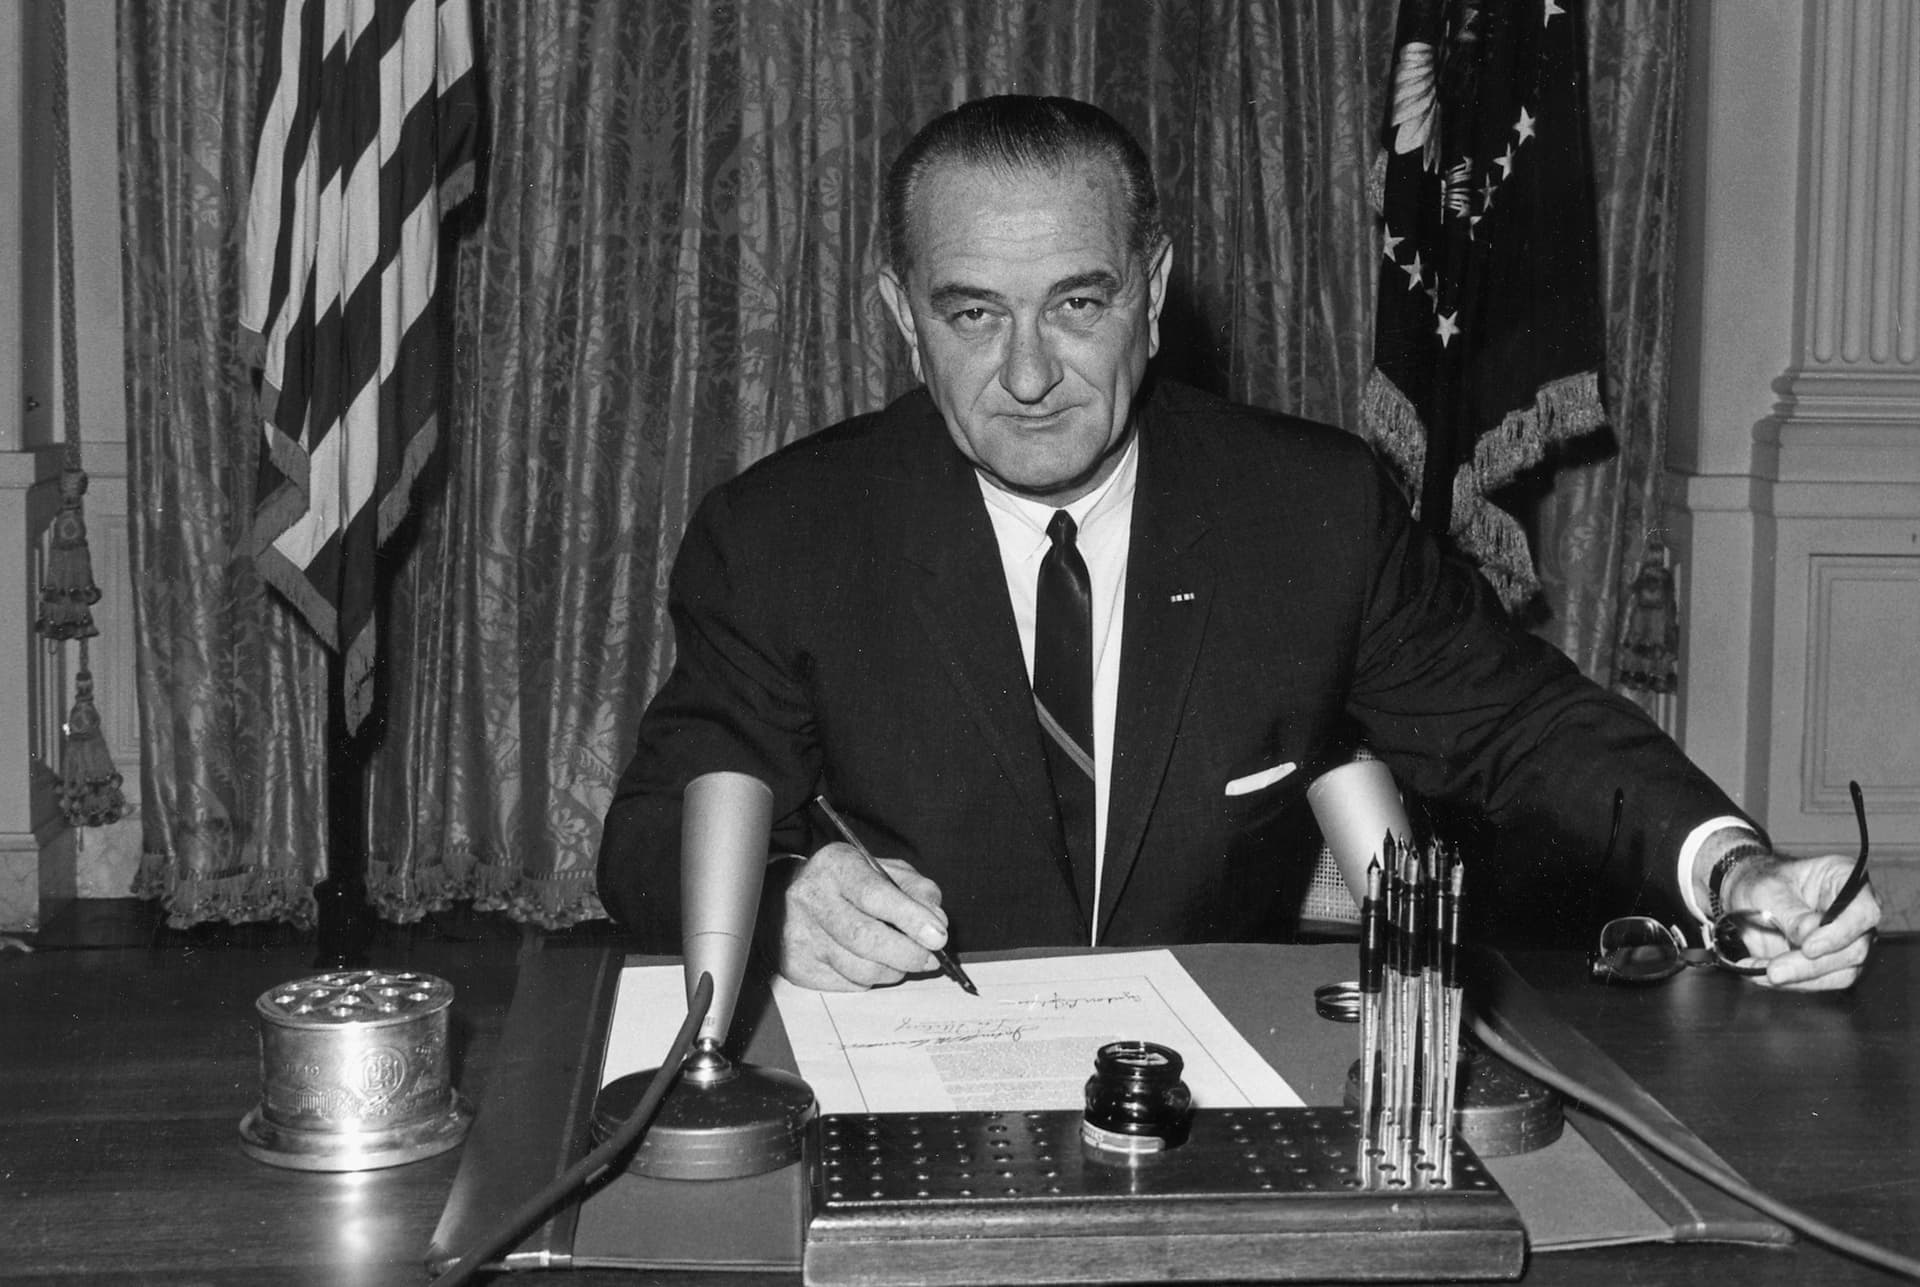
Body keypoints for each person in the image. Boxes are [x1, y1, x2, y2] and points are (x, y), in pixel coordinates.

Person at [596, 95, 1877, 994]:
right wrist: (777, 905)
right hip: (904, 1070)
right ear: (901, 315)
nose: (1029, 373)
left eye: (1078, 304)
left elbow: (1521, 727)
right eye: (974, 313)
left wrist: (1734, 869)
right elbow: (650, 834)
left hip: (1213, 1086)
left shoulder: (1310, 510)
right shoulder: (780, 534)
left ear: (1151, 293)